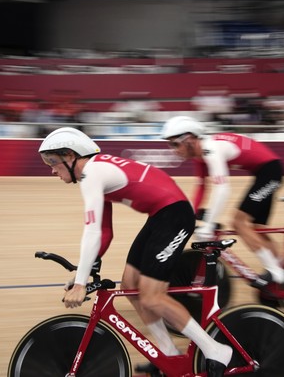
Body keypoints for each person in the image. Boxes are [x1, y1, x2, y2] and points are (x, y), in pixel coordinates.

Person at [38, 127, 232, 376]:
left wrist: (80, 282)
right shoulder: (95, 170)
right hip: (160, 216)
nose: (52, 170)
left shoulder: (91, 173)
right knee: (131, 286)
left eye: (53, 162)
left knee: (152, 296)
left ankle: (216, 350)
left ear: (70, 155)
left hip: (174, 215)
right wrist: (86, 267)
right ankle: (168, 354)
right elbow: (105, 232)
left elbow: (93, 231)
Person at [161, 115, 284, 289]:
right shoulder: (200, 155)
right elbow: (201, 188)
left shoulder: (210, 149)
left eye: (174, 144)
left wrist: (208, 224)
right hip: (265, 173)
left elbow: (222, 189)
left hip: (270, 172)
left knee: (239, 222)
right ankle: (283, 270)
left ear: (189, 139)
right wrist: (188, 215)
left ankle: (276, 271)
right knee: (257, 229)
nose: (173, 149)